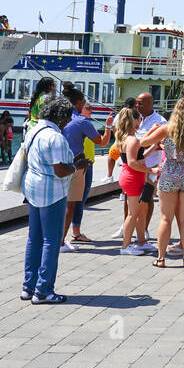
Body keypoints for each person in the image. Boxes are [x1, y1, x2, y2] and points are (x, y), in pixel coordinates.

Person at [20, 95, 80, 304]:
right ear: (61, 117)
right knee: (51, 241)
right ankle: (44, 290)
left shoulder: (32, 130)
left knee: (34, 238)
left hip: (32, 187)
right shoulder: (55, 137)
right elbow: (61, 170)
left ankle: (28, 286)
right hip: (51, 192)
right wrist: (76, 166)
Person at [140, 97, 184, 267]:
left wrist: (152, 130)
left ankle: (161, 258)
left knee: (165, 219)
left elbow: (143, 143)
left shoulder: (166, 129)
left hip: (169, 173)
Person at [59, 88, 104, 252]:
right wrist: (109, 127)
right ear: (78, 103)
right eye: (83, 102)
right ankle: (61, 242)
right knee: (70, 205)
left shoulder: (58, 118)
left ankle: (53, 239)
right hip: (75, 166)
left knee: (57, 204)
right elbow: (102, 142)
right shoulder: (82, 121)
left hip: (55, 165)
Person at [114, 107, 152, 255]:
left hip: (132, 176)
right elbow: (132, 162)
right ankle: (125, 246)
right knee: (133, 213)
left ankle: (141, 241)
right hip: (133, 177)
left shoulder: (127, 139)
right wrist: (151, 170)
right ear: (136, 121)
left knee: (142, 211)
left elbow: (137, 156)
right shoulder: (132, 140)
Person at [135, 92, 166, 239]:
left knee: (146, 198)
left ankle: (144, 228)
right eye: (137, 102)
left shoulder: (160, 121)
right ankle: (127, 225)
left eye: (140, 103)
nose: (137, 105)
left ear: (150, 103)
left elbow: (164, 144)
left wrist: (146, 146)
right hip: (134, 165)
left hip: (151, 165)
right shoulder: (134, 118)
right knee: (131, 197)